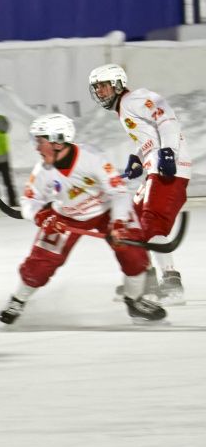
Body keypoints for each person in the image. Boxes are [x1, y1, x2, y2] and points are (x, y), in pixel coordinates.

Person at [0, 113, 166, 326]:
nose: (36, 147)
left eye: (40, 141)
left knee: (133, 252)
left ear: (58, 142)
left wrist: (119, 222)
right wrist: (41, 216)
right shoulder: (43, 170)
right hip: (66, 216)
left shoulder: (91, 157)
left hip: (107, 210)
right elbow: (28, 200)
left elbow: (119, 192)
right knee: (40, 263)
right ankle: (18, 300)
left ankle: (134, 301)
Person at [88, 64, 192, 305]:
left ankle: (172, 283)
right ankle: (147, 280)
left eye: (103, 86)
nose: (100, 92)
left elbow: (166, 118)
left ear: (117, 84)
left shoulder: (135, 99)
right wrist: (139, 157)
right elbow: (149, 135)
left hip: (168, 168)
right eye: (96, 88)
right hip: (154, 167)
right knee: (133, 221)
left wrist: (168, 152)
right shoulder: (125, 108)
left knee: (153, 223)